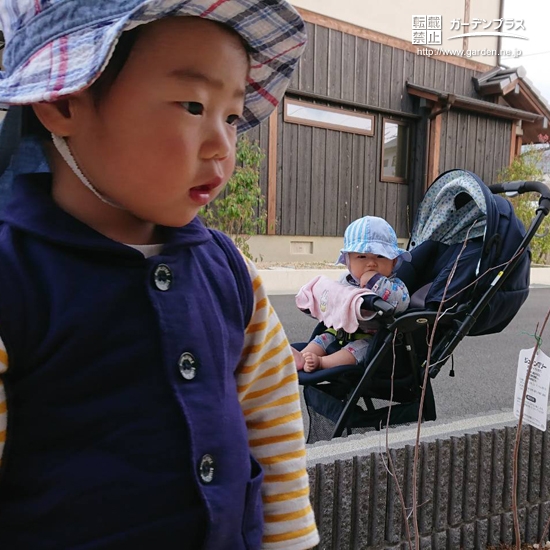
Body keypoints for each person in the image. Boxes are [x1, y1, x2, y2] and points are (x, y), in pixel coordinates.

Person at [0, 2, 319, 549]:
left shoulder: (231, 274)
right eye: (193, 105)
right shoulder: (16, 276)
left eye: (233, 115)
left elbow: (274, 427)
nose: (222, 145)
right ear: (61, 101)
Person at [295, 216, 411, 373]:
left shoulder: (395, 285)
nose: (371, 263)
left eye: (380, 256)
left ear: (394, 261)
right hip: (339, 331)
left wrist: (375, 282)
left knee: (356, 351)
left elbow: (401, 303)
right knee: (321, 339)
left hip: (370, 339)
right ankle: (301, 357)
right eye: (362, 256)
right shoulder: (345, 281)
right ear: (348, 261)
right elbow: (333, 301)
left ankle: (322, 362)